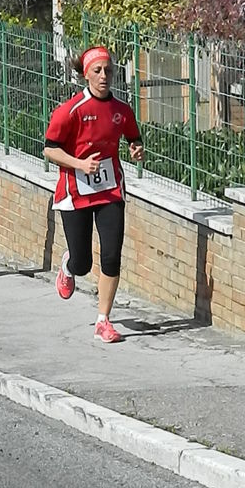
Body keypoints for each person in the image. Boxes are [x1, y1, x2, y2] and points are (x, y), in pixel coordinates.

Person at [44, 46, 144, 343]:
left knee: (112, 255)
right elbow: (50, 149)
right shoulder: (70, 110)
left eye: (108, 71)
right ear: (85, 74)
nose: (104, 76)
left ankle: (103, 320)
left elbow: (133, 137)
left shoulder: (121, 110)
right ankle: (69, 264)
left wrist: (136, 149)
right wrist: (79, 164)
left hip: (110, 190)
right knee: (84, 263)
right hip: (75, 192)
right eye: (97, 71)